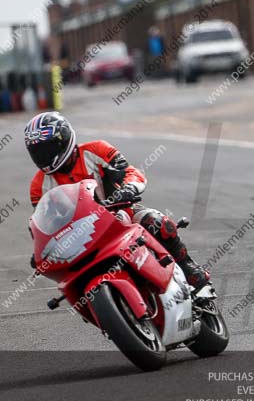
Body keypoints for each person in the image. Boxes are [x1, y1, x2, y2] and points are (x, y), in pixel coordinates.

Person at [24, 112, 210, 289]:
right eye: (37, 151)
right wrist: (40, 249)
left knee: (157, 222)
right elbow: (42, 222)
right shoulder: (38, 185)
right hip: (79, 237)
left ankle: (189, 269)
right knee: (68, 276)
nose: (43, 156)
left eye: (47, 148)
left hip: (121, 213)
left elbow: (131, 172)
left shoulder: (96, 150)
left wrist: (129, 189)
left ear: (63, 139)